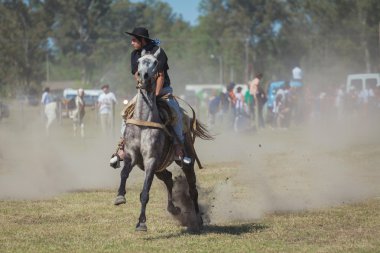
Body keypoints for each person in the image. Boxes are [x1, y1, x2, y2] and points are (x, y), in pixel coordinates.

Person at [117, 27, 185, 162]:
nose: (132, 42)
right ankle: (122, 146)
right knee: (126, 112)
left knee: (174, 112)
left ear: (142, 40)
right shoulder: (135, 54)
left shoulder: (158, 52)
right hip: (144, 91)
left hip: (163, 90)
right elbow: (136, 74)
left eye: (134, 40)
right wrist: (142, 86)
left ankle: (178, 147)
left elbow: (161, 75)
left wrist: (157, 94)